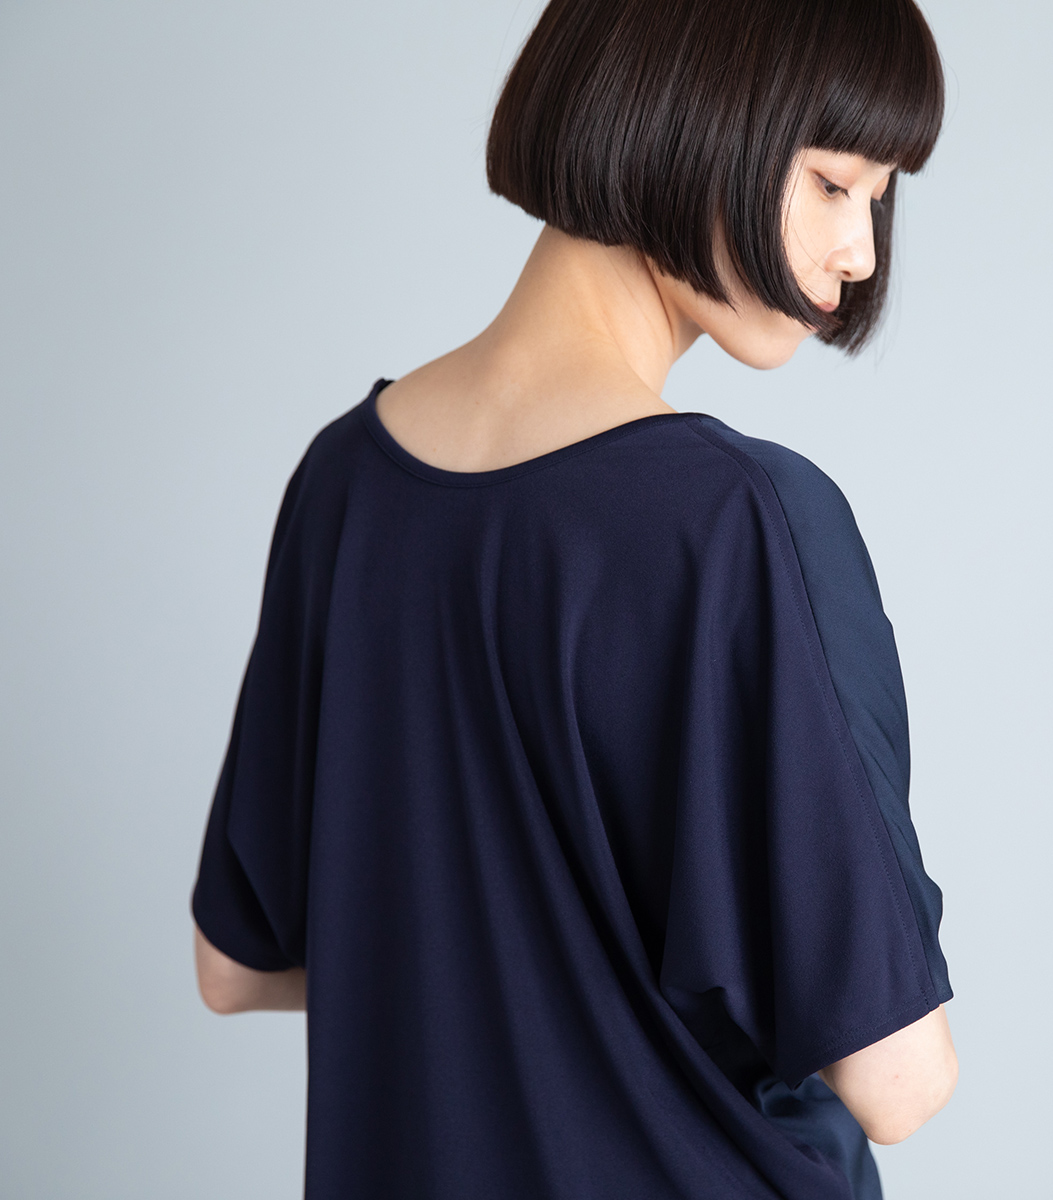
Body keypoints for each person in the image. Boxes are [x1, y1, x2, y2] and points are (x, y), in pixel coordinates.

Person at [190, 0, 958, 1196]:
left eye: (880, 196)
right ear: (692, 120)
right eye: (831, 183)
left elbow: (235, 965)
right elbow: (899, 1080)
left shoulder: (343, 484)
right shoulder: (737, 522)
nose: (859, 251)